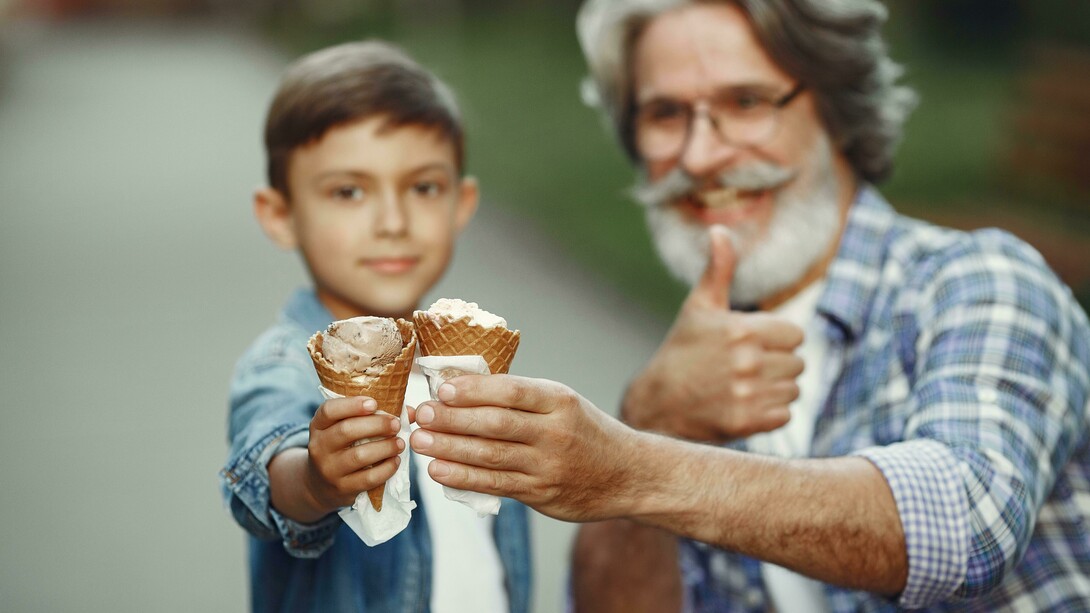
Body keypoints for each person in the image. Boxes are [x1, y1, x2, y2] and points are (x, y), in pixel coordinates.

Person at [407, 1, 1090, 611]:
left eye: (745, 101)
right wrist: (654, 415)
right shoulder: (686, 376)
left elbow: (970, 522)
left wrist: (632, 463)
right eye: (665, 114)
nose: (702, 155)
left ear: (834, 105)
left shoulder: (981, 280)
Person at [218, 40, 531, 613]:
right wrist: (316, 481)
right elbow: (268, 474)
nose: (393, 221)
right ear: (280, 215)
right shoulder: (282, 365)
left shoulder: (466, 363)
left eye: (423, 187)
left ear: (462, 203)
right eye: (349, 191)